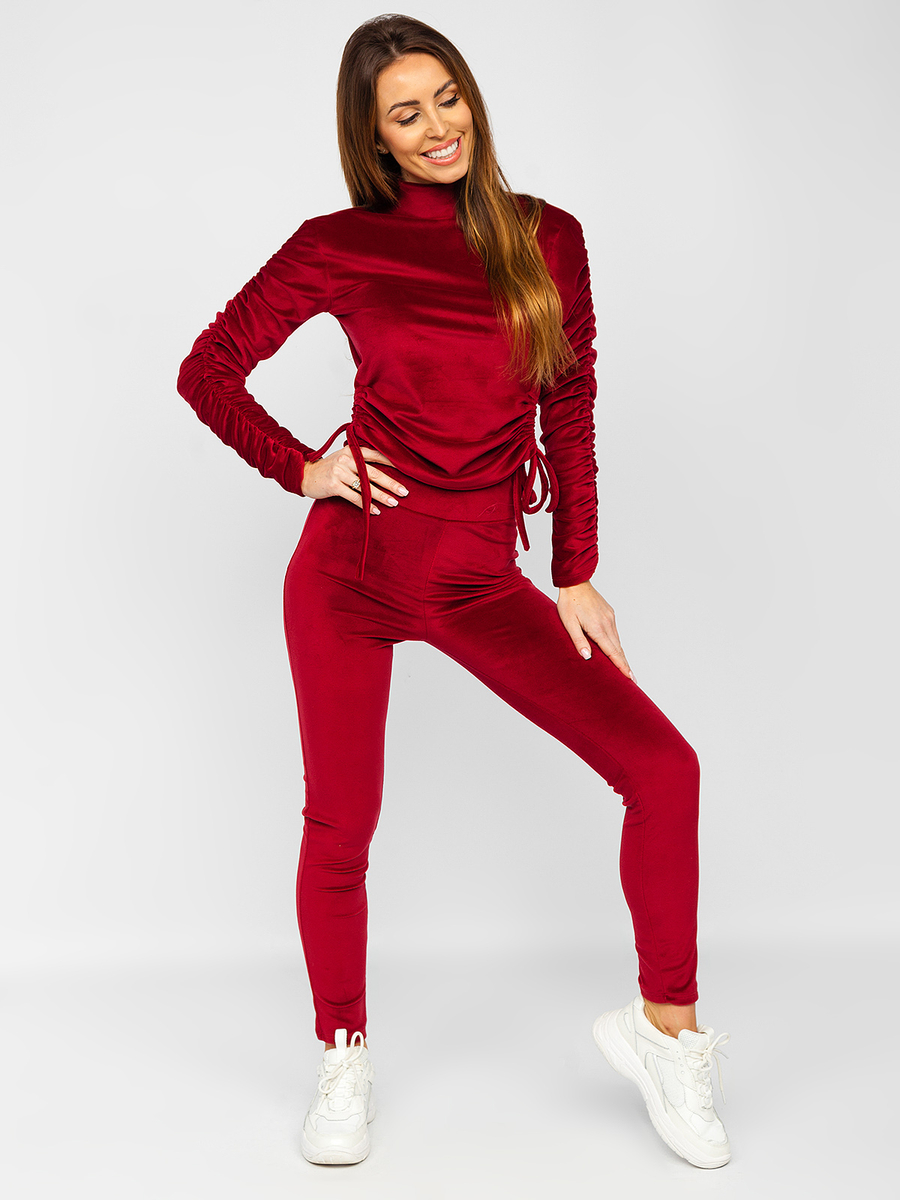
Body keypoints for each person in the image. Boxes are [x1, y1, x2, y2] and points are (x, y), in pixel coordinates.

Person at [176, 12, 731, 1172]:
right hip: (353, 570)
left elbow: (569, 403)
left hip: (480, 577)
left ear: (471, 97)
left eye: (447, 99)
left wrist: (575, 570)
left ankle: (666, 1032)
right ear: (374, 139)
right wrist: (304, 467)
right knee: (341, 827)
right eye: (406, 114)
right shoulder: (340, 244)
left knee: (663, 770)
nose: (437, 127)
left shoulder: (548, 238)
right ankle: (342, 1053)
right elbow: (208, 367)